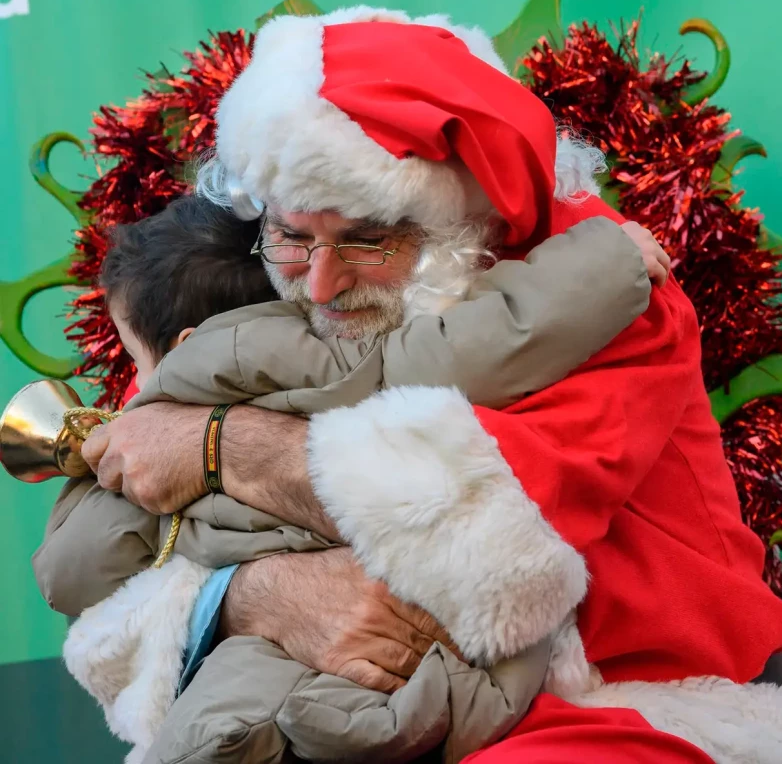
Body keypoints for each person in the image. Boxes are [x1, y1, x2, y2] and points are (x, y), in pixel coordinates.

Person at [74, 7, 782, 763]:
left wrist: (219, 445)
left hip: (632, 700)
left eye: (366, 239)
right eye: (293, 234)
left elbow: (468, 539)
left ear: (461, 227)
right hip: (385, 703)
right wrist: (248, 598)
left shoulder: (606, 304)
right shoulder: (268, 283)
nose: (320, 284)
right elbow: (107, 553)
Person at [37, 192, 664, 763]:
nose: (134, 386)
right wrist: (608, 266)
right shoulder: (308, 357)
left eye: (368, 239)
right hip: (415, 664)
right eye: (295, 239)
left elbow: (70, 566)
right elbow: (470, 346)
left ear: (187, 342)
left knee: (231, 708)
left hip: (315, 644)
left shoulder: (208, 370)